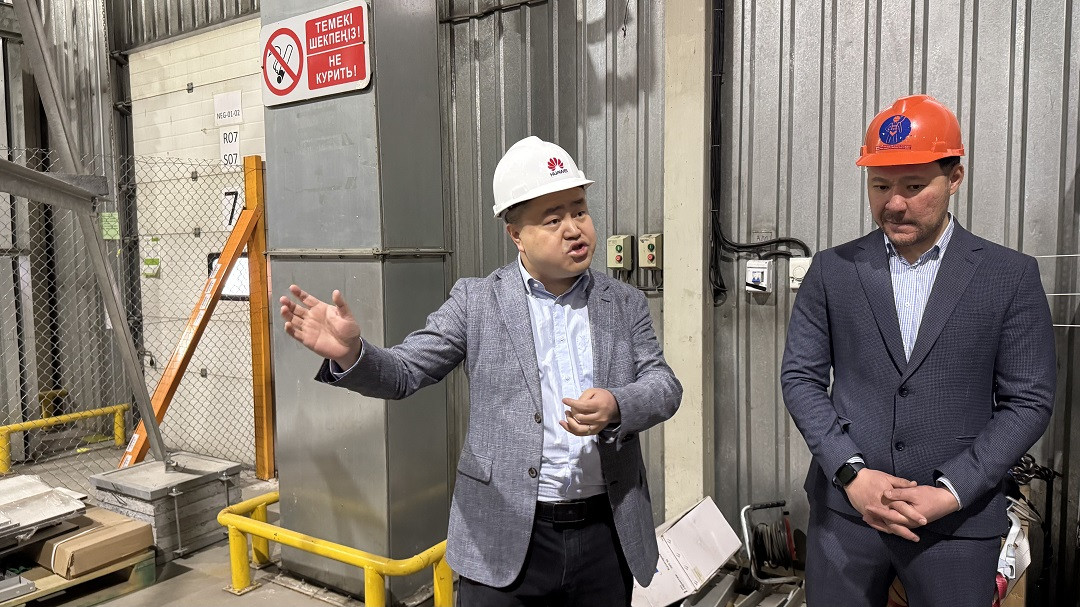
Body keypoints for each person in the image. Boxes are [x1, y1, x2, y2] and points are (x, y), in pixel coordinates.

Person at [279, 136, 682, 606]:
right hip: (503, 538)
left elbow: (664, 386)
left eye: (580, 211)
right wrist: (353, 354)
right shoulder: (477, 302)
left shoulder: (624, 302)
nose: (575, 229)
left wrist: (617, 405)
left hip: (604, 535)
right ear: (516, 235)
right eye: (553, 219)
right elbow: (405, 371)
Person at [781, 95, 1056, 606]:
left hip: (957, 524)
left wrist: (950, 491)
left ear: (955, 177)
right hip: (846, 518)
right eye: (880, 186)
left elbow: (1028, 401)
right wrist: (851, 474)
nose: (894, 204)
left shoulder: (1008, 276)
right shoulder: (833, 270)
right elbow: (801, 378)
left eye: (913, 186)